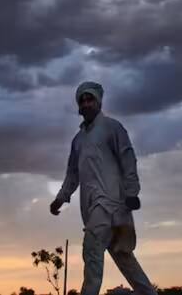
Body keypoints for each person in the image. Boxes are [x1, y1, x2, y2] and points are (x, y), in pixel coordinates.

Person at [49, 81, 157, 295]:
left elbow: (128, 158)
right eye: (83, 100)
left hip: (112, 203)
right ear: (79, 106)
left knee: (92, 251)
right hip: (91, 209)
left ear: (98, 101)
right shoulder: (78, 140)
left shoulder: (112, 127)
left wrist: (132, 192)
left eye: (90, 99)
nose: (87, 103)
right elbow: (73, 173)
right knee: (125, 259)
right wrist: (61, 198)